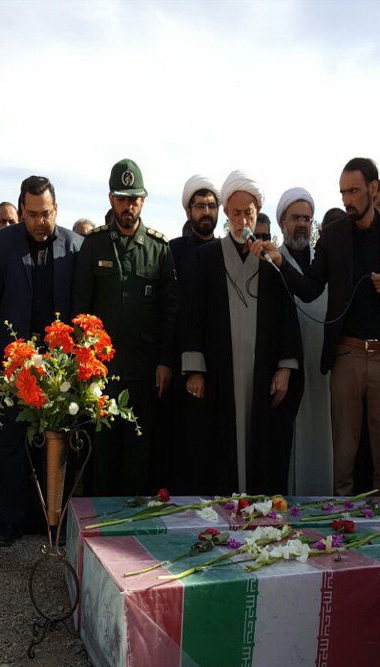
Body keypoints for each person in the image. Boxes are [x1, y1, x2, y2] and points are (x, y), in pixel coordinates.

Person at [252, 157, 380, 496]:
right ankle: (342, 519)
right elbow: (310, 288)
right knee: (343, 454)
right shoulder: (333, 235)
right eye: (343, 192)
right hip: (346, 354)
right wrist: (281, 263)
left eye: (354, 191)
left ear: (373, 189)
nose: (347, 199)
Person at [182, 172, 302, 494]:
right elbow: (192, 315)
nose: (241, 220)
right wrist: (195, 369)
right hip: (220, 373)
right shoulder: (206, 257)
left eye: (248, 212)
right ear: (226, 214)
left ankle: (260, 511)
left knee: (262, 446)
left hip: (262, 372)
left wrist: (286, 367)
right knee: (219, 448)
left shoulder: (270, 259)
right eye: (235, 213)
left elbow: (288, 316)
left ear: (257, 211)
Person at [0, 176, 83, 546]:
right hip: (15, 360)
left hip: (59, 366)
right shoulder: (2, 244)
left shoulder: (75, 246)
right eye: (34, 214)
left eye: (47, 213)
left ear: (57, 209)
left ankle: (52, 522)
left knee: (55, 443)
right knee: (12, 441)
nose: (41, 221)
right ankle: (10, 522)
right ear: (22, 211)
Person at [72, 158, 178, 495]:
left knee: (138, 456)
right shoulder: (94, 245)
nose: (127, 206)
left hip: (144, 372)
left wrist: (165, 362)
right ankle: (101, 523)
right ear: (111, 199)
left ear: (143, 201)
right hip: (101, 374)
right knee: (102, 459)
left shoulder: (159, 249)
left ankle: (132, 520)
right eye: (121, 198)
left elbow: (169, 312)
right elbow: (80, 308)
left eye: (133, 199)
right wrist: (83, 362)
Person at [275, 187, 331, 494]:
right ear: (282, 221)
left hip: (322, 368)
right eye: (295, 217)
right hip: (288, 369)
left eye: (307, 219)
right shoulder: (272, 262)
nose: (301, 224)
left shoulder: (322, 264)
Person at [167, 175, 219, 493]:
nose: (206, 212)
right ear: (188, 211)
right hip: (181, 366)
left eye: (212, 206)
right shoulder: (173, 251)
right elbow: (177, 310)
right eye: (200, 206)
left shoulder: (225, 251)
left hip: (218, 364)